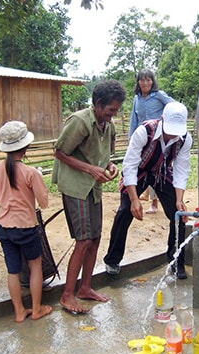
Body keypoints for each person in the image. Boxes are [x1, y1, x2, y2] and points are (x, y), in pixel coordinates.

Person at [52, 79, 126, 314]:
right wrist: (90, 169)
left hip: (93, 186)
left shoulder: (109, 126)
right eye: (110, 110)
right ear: (97, 104)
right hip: (75, 185)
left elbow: (105, 156)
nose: (113, 115)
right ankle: (66, 296)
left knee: (94, 238)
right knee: (83, 240)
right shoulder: (80, 122)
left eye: (116, 110)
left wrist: (110, 166)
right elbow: (59, 152)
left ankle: (85, 288)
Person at [104, 101, 193, 279]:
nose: (172, 135)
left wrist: (179, 200)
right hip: (139, 171)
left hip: (162, 172)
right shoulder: (144, 131)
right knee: (124, 212)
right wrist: (135, 199)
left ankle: (176, 260)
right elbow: (129, 165)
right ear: (162, 120)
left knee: (178, 215)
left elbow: (181, 170)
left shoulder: (185, 138)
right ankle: (112, 260)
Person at [0, 120, 53, 322]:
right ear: (26, 147)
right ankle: (36, 309)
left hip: (3, 227)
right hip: (26, 227)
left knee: (13, 270)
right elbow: (43, 203)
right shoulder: (30, 173)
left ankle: (19, 311)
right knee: (35, 265)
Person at [130, 69, 175, 214]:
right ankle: (142, 195)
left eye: (148, 80)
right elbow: (134, 120)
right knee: (142, 167)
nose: (145, 83)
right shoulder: (137, 99)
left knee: (157, 167)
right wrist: (131, 139)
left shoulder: (159, 96)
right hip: (142, 138)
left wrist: (167, 120)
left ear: (152, 81)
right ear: (138, 82)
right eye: (142, 80)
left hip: (158, 138)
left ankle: (155, 203)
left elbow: (173, 106)